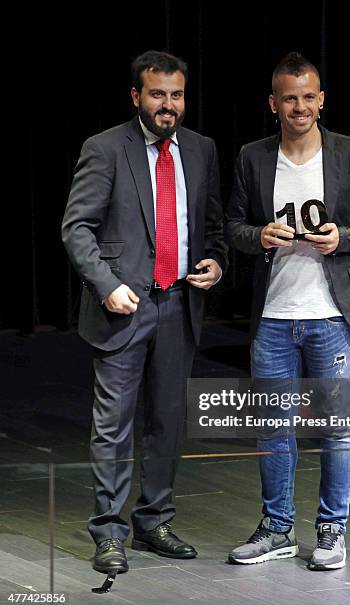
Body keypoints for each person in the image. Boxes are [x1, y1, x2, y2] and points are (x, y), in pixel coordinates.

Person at [225, 52, 350, 569]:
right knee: (273, 427)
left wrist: (344, 236)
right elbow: (232, 227)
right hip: (273, 316)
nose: (300, 106)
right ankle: (277, 529)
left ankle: (330, 531)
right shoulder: (253, 157)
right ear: (273, 104)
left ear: (322, 101)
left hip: (332, 315)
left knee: (337, 427)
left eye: (308, 97)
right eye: (289, 98)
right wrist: (259, 235)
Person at [62, 50, 227, 574]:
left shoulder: (201, 150)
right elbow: (76, 228)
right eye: (158, 94)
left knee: (166, 422)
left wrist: (217, 264)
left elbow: (215, 229)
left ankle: (154, 522)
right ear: (136, 96)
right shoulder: (106, 148)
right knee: (114, 426)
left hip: (180, 303)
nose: (168, 105)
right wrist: (106, 285)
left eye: (176, 95)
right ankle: (108, 532)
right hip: (124, 308)